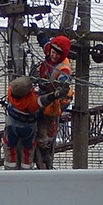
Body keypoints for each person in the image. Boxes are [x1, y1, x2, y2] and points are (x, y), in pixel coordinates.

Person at [3, 75, 62, 170]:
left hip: (12, 127)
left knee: (10, 147)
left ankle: (10, 169)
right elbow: (44, 100)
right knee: (27, 150)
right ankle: (26, 169)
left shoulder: (11, 93)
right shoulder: (31, 103)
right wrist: (55, 95)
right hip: (28, 129)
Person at [34, 35, 73, 169]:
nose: (54, 56)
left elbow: (64, 78)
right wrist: (38, 32)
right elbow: (44, 42)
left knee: (46, 118)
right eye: (53, 52)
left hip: (59, 98)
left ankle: (45, 147)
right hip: (47, 92)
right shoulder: (50, 50)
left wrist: (61, 87)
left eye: (58, 54)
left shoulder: (64, 67)